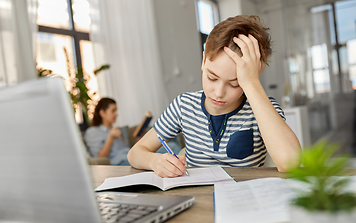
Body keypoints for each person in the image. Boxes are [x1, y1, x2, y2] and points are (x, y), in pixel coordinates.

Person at [127, 15, 301, 177]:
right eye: (212, 77)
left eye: (234, 83)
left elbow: (291, 163)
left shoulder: (263, 108)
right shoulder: (184, 105)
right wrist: (154, 161)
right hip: (199, 203)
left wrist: (251, 84)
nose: (218, 92)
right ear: (204, 60)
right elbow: (135, 153)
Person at [84, 97, 130, 166]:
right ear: (102, 113)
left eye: (116, 111)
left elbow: (126, 148)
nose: (116, 114)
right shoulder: (92, 132)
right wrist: (110, 137)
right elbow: (99, 158)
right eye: (113, 111)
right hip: (119, 163)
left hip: (130, 157)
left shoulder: (116, 129)